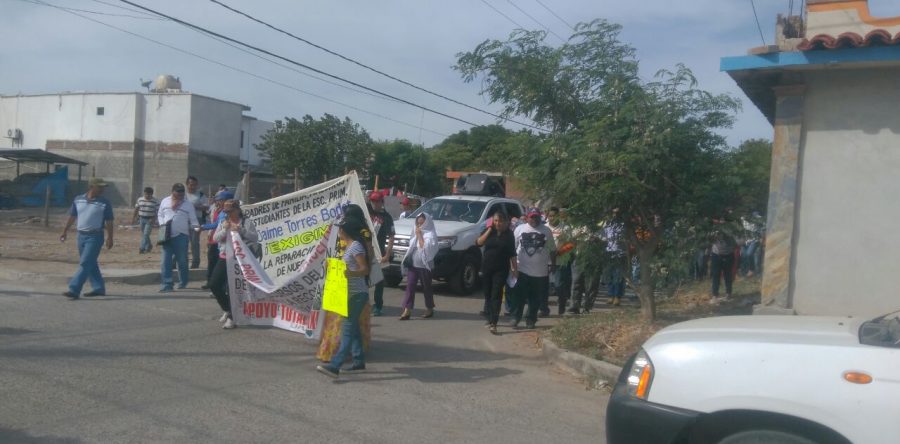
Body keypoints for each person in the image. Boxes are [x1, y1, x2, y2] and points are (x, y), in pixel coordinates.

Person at [317, 204, 373, 363]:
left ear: (346, 231)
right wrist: (333, 264)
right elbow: (346, 265)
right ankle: (358, 361)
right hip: (348, 293)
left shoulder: (356, 246)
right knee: (353, 330)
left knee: (347, 331)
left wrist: (350, 273)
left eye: (341, 228)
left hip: (356, 294)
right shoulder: (350, 246)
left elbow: (365, 269)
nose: (339, 230)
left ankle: (335, 364)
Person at [60, 177, 114, 299]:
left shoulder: (104, 202)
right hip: (81, 236)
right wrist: (65, 231)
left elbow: (109, 221)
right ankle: (98, 288)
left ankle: (74, 289)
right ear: (91, 187)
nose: (102, 189)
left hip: (95, 236)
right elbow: (72, 216)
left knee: (85, 262)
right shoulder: (78, 200)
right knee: (91, 263)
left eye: (103, 187)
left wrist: (110, 238)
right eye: (99, 187)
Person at [209, 199, 259, 329]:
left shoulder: (246, 222)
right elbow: (215, 239)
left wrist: (241, 230)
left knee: (233, 288)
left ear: (237, 210)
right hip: (224, 257)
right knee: (214, 285)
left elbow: (254, 237)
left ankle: (232, 318)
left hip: (240, 260)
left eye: (230, 211)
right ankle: (227, 309)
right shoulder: (223, 222)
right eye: (226, 212)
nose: (228, 214)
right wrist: (224, 229)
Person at [511, 208, 556, 329]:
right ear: (527, 217)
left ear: (539, 217)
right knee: (519, 296)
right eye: (532, 217)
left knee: (535, 299)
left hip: (540, 272)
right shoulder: (519, 229)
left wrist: (553, 264)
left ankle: (531, 319)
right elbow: (513, 248)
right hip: (522, 269)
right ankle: (516, 317)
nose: (534, 219)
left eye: (536, 217)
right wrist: (512, 266)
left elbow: (552, 249)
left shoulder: (546, 231)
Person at [476, 211, 517, 334]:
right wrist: (489, 230)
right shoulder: (489, 232)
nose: (498, 223)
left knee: (496, 295)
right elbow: (479, 243)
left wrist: (515, 269)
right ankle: (489, 318)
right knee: (487, 294)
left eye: (500, 221)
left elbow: (512, 254)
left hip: (501, 269)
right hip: (487, 268)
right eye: (495, 221)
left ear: (505, 222)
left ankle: (494, 322)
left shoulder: (509, 235)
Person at [158, 182, 200, 292]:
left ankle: (183, 282)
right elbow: (160, 215)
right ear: (173, 192)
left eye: (182, 193)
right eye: (178, 193)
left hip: (181, 236)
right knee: (165, 261)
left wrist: (197, 229)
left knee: (182, 261)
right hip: (166, 235)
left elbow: (193, 219)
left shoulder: (187, 204)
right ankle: (167, 284)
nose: (180, 195)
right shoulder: (165, 201)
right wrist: (162, 224)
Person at [399, 213, 438, 320]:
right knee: (410, 285)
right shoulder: (415, 231)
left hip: (425, 265)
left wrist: (420, 235)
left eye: (422, 223)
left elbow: (425, 248)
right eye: (418, 223)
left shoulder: (430, 234)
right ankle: (407, 309)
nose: (419, 225)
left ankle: (429, 308)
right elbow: (412, 246)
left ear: (427, 223)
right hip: (414, 264)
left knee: (426, 287)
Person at [367, 191, 394, 316]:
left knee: (378, 281)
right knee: (362, 280)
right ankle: (364, 304)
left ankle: (378, 306)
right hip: (365, 251)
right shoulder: (366, 212)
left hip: (379, 254)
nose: (374, 204)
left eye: (377, 201)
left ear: (381, 202)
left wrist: (387, 255)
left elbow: (391, 236)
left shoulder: (386, 217)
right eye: (372, 201)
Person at [201, 190, 233, 290]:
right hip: (218, 241)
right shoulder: (221, 211)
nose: (218, 202)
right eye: (217, 200)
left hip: (226, 246)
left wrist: (203, 227)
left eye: (220, 200)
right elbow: (216, 225)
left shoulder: (227, 213)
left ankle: (220, 287)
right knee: (213, 262)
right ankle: (213, 284)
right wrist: (203, 226)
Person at [709, 219, 738, 302]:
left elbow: (736, 243)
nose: (721, 221)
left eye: (723, 220)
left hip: (728, 254)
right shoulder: (714, 228)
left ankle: (728, 294)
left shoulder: (731, 228)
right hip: (716, 254)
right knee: (715, 275)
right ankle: (715, 295)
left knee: (728, 275)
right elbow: (709, 239)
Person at [184, 176, 207, 269]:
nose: (192, 186)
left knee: (194, 242)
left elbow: (206, 207)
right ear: (187, 184)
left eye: (194, 184)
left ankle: (195, 262)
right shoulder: (183, 195)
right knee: (182, 242)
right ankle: (180, 261)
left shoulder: (201, 195)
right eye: (190, 184)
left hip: (197, 220)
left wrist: (195, 207)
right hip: (184, 220)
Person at [131, 186, 159, 254]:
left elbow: (158, 211)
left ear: (151, 194)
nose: (147, 195)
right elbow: (136, 209)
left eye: (148, 194)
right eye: (146, 194)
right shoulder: (140, 199)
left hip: (150, 220)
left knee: (146, 234)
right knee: (144, 234)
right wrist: (134, 218)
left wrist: (154, 219)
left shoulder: (155, 201)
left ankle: (142, 248)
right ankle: (149, 245)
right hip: (141, 219)